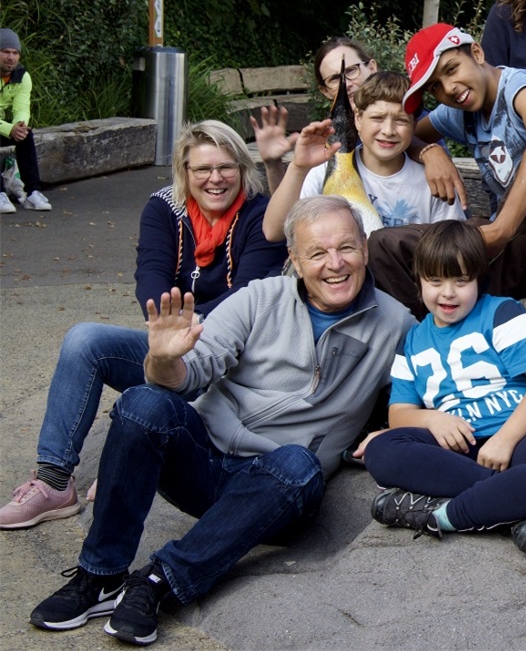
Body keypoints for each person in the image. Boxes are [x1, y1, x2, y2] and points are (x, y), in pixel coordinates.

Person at [27, 196, 414, 646]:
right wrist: (163, 360)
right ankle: (102, 575)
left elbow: (420, 391)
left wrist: (394, 429)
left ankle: (157, 582)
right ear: (294, 259)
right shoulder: (257, 299)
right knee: (140, 402)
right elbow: (191, 372)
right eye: (317, 253)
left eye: (346, 248)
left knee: (296, 465)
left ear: (365, 248)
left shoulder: (396, 324)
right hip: (203, 460)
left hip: (278, 486)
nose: (335, 264)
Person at [0, 120, 288, 530]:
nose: (215, 178)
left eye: (226, 167)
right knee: (85, 340)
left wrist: (190, 330)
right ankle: (53, 481)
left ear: (242, 168)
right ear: (184, 172)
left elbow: (248, 295)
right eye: (202, 169)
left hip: (230, 358)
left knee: (180, 361)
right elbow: (150, 273)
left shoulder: (262, 212)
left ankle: (133, 447)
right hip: (172, 340)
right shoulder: (164, 206)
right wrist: (168, 328)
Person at [359, 220, 526, 551]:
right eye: (435, 280)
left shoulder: (503, 313)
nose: (448, 292)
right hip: (460, 447)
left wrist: (505, 439)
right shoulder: (412, 341)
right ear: (419, 280)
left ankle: (439, 516)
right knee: (381, 449)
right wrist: (432, 419)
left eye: (461, 280)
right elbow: (399, 413)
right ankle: (513, 503)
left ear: (478, 277)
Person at [366, 23, 526, 319]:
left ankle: (467, 309)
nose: (448, 88)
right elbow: (409, 134)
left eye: (451, 70)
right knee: (385, 245)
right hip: (517, 255)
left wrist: (499, 230)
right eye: (435, 86)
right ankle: (425, 333)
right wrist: (431, 151)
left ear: (476, 52)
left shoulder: (521, 88)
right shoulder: (459, 111)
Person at [261, 70, 463, 242]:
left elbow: (450, 247)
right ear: (358, 119)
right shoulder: (326, 171)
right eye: (377, 118)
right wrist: (298, 167)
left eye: (401, 120)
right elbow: (274, 232)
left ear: (414, 125)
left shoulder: (431, 181)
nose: (388, 130)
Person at [253, 36, 380, 193]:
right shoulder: (325, 140)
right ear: (325, 91)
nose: (345, 84)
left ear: (372, 67)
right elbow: (291, 211)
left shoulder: (404, 123)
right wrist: (273, 164)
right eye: (334, 79)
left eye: (351, 71)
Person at [0, 28, 52, 212]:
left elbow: (22, 107)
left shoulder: (22, 76)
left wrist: (19, 126)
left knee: (25, 135)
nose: (11, 57)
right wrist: (9, 129)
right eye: (5, 52)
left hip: (3, 126)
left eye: (15, 53)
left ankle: (32, 193)